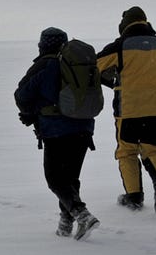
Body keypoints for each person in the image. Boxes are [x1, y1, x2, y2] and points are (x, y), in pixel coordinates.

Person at [15, 27, 100, 239]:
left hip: (56, 130)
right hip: (83, 128)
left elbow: (22, 96)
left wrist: (31, 112)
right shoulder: (78, 64)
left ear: (43, 45)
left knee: (55, 178)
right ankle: (65, 223)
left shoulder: (45, 65)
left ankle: (82, 215)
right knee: (70, 178)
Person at [96, 6, 156, 214]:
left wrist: (110, 79)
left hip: (129, 109)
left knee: (127, 151)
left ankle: (134, 197)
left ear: (124, 25)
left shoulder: (120, 45)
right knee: (155, 150)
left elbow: (95, 66)